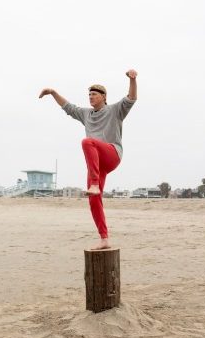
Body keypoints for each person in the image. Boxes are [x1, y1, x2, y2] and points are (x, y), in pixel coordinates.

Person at [39, 70, 138, 250]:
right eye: (89, 95)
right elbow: (68, 107)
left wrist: (133, 79)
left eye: (94, 95)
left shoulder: (115, 110)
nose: (90, 97)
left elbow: (131, 98)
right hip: (97, 165)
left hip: (112, 154)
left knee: (87, 142)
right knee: (94, 199)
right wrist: (53, 93)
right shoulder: (86, 114)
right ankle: (104, 238)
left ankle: (93, 185)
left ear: (104, 97)